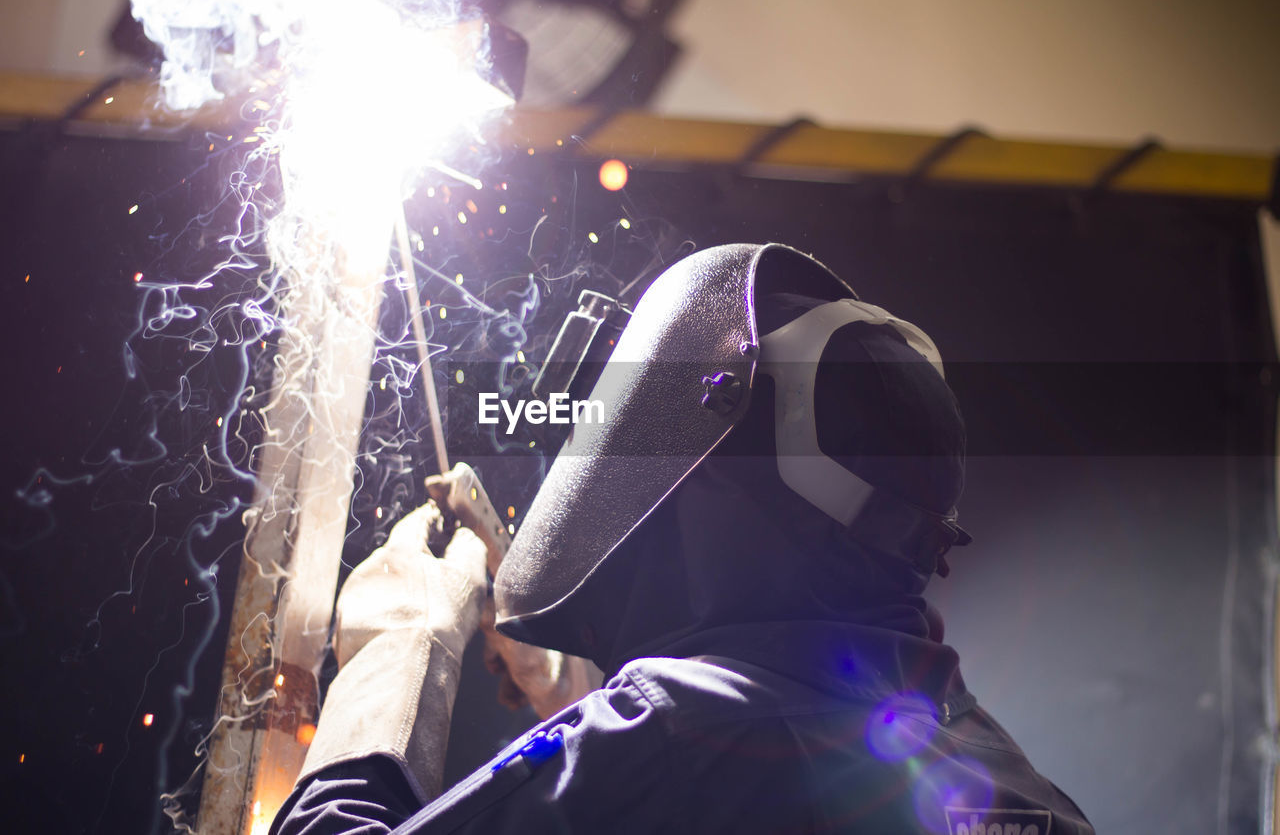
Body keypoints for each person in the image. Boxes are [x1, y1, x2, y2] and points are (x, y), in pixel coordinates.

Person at [272, 243, 1094, 834]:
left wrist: (403, 648)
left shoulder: (673, 739)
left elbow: (702, 753)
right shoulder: (1004, 773)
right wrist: (578, 703)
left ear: (708, 477)